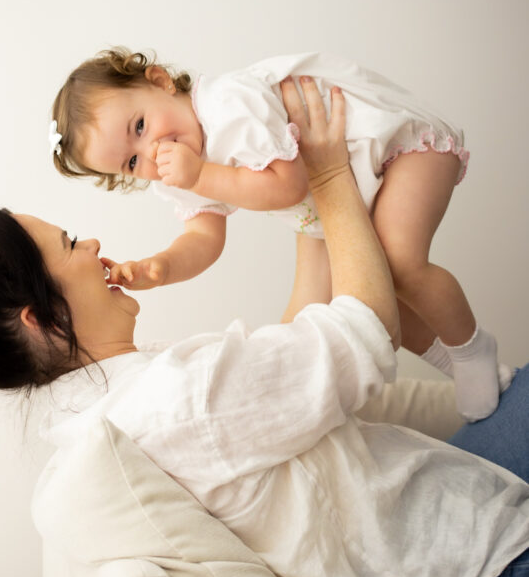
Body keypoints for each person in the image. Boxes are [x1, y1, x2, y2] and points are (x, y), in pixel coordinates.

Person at [0, 80, 528, 577]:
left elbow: (292, 352)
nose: (95, 246)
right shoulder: (173, 402)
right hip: (473, 571)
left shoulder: (117, 403)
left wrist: (301, 210)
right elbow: (363, 333)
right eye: (71, 244)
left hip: (450, 503)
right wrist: (329, 179)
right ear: (42, 317)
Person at [50, 48, 510, 421]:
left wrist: (199, 176)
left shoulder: (229, 104)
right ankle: (453, 362)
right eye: (132, 162)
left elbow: (287, 183)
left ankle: (470, 349)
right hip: (351, 186)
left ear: (160, 82)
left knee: (401, 262)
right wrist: (161, 266)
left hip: (396, 146)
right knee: (378, 291)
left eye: (140, 127)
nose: (151, 153)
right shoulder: (179, 172)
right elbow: (205, 238)